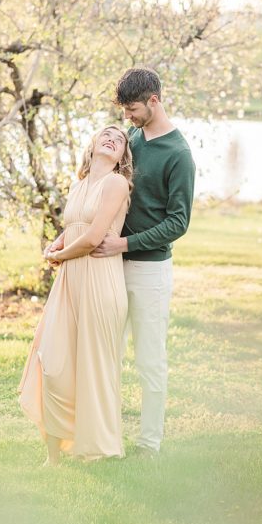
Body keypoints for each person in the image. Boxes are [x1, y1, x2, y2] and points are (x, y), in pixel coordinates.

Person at [91, 67, 196, 455]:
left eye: (132, 108)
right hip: (111, 268)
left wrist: (124, 244)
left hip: (150, 272)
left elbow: (178, 222)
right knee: (107, 353)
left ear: (154, 100)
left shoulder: (179, 155)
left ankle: (149, 443)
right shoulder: (132, 138)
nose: (126, 117)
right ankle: (106, 435)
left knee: (149, 359)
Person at [19, 126, 133, 464]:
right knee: (53, 361)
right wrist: (57, 242)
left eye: (120, 138)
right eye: (107, 134)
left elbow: (95, 236)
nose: (113, 138)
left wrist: (59, 256)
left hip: (100, 280)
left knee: (94, 368)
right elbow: (74, 227)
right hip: (70, 281)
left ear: (122, 154)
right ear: (94, 144)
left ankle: (95, 449)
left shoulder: (116, 183)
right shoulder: (79, 184)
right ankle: (54, 455)